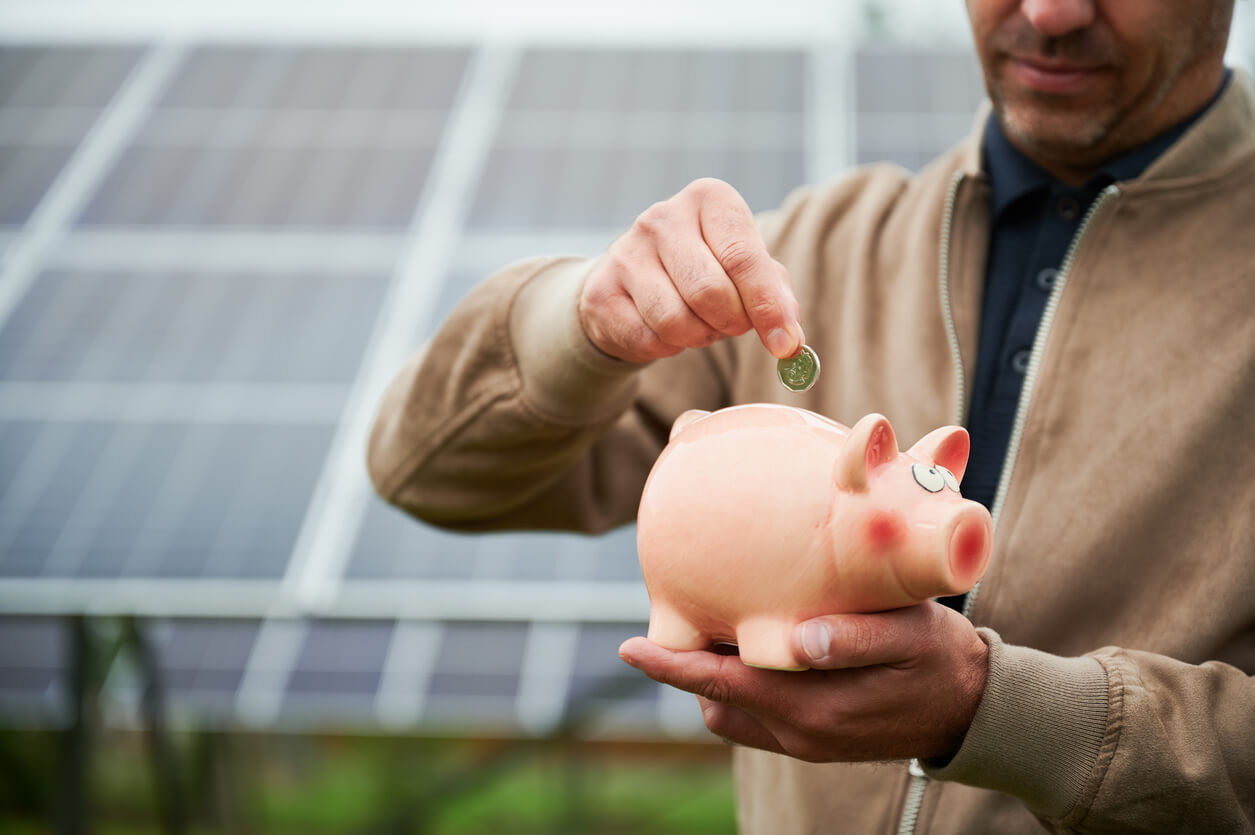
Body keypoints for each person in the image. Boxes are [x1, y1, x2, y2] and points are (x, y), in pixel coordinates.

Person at [368, 0, 1255, 831]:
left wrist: (1003, 714)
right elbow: (426, 470)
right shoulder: (818, 251)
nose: (1050, 13)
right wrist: (582, 322)